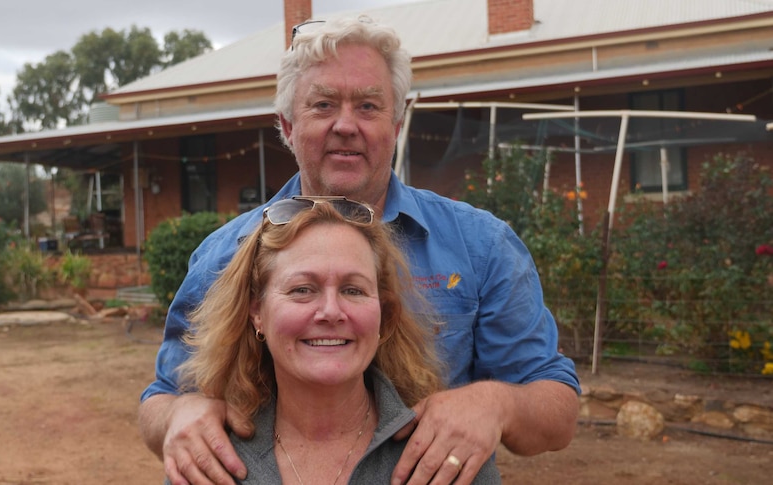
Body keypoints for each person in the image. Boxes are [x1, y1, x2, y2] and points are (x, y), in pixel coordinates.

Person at [139, 16, 580, 485]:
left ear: (397, 122)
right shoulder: (224, 255)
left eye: (368, 106)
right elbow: (163, 395)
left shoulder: (480, 246)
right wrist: (176, 416)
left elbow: (557, 411)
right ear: (288, 125)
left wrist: (498, 404)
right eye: (323, 104)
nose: (346, 125)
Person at [176, 198, 502, 484]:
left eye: (353, 290)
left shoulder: (447, 451)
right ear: (257, 312)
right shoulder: (206, 457)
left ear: (383, 315)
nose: (331, 312)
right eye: (302, 289)